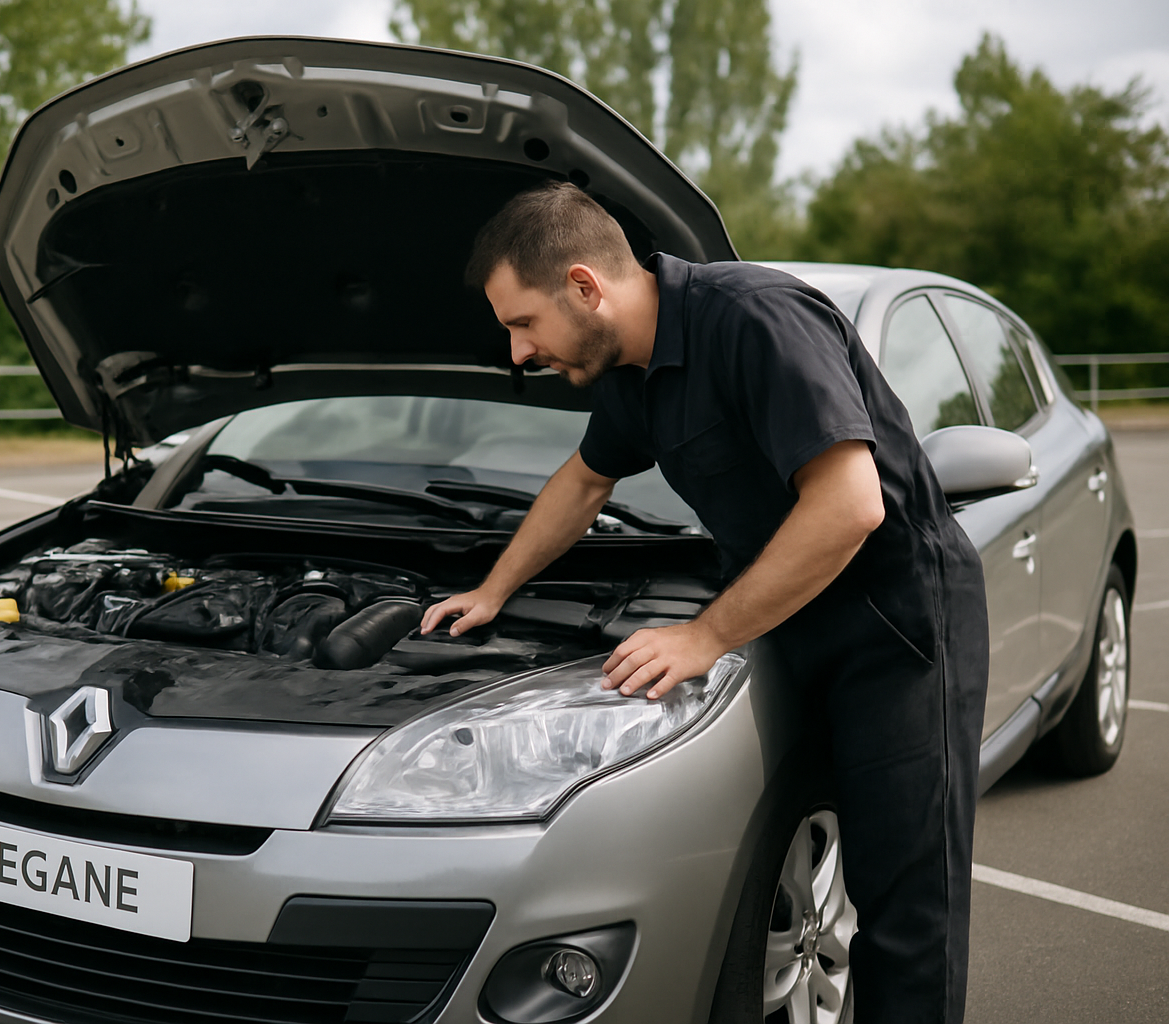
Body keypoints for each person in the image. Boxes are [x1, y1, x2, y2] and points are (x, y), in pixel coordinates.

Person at [420, 182, 988, 1024]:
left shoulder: (754, 318)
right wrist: (492, 590)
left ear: (585, 286)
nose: (516, 353)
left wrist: (704, 635)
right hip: (790, 616)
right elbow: (584, 481)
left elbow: (850, 505)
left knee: (906, 903)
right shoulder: (627, 370)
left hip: (895, 626)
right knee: (818, 851)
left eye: (523, 323)